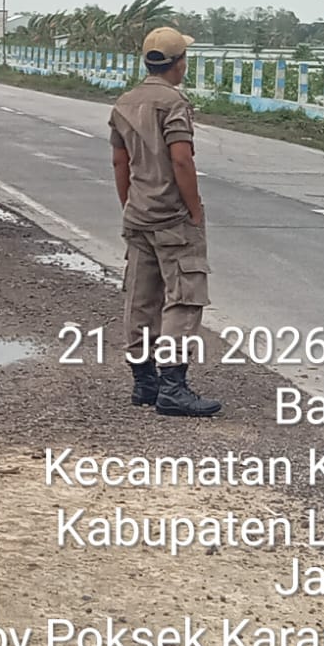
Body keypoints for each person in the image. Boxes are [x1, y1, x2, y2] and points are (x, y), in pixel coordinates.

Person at [108, 28, 221, 418]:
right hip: (172, 218)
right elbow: (182, 160)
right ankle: (173, 384)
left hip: (138, 215)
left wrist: (129, 204)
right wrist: (195, 210)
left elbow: (120, 163)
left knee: (141, 297)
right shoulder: (173, 103)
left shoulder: (125, 102)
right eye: (184, 59)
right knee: (183, 297)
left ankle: (144, 382)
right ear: (178, 64)